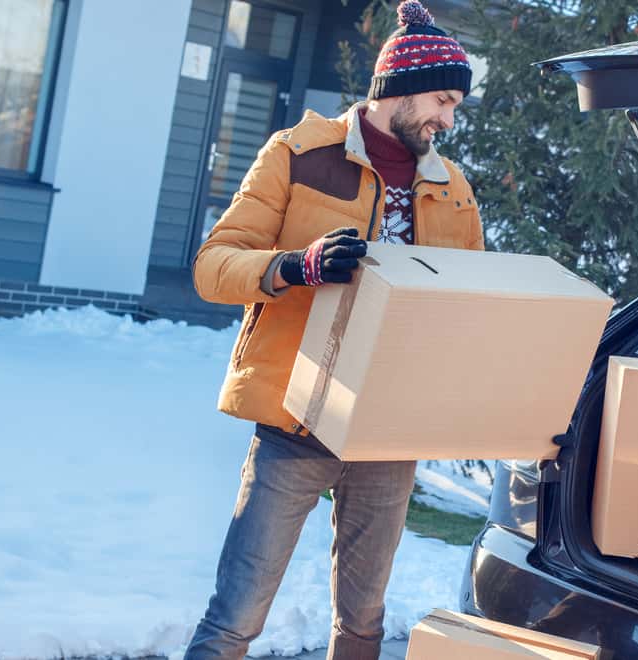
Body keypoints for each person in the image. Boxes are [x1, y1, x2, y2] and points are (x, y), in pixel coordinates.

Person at [184, 2, 482, 657]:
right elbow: (212, 266)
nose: (447, 119)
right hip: (299, 417)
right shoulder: (297, 155)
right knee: (235, 618)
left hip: (390, 432)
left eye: (456, 106)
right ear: (397, 90)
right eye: (441, 99)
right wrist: (295, 266)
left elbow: (471, 305)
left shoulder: (453, 188)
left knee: (363, 623)